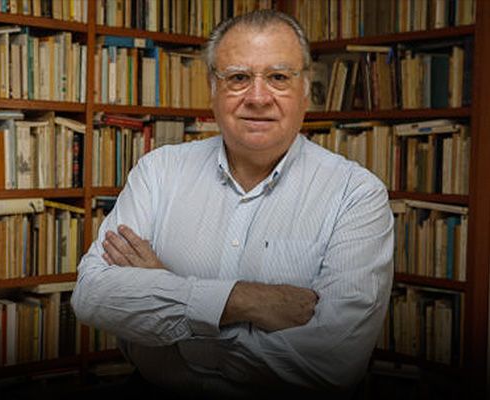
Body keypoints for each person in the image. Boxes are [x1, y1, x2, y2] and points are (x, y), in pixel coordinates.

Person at [71, 9, 394, 398]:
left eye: (278, 77)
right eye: (238, 77)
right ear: (213, 88)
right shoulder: (160, 171)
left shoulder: (356, 194)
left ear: (306, 89)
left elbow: (334, 364)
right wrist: (243, 300)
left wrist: (168, 295)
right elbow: (92, 296)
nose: (258, 98)